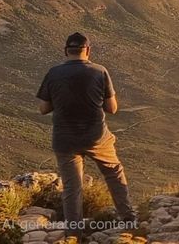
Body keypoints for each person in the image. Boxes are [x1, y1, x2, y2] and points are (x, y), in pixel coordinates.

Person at [36, 32, 135, 239]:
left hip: (65, 140)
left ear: (66, 51)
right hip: (96, 137)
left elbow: (43, 108)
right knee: (113, 172)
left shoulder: (53, 73)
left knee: (72, 187)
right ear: (88, 50)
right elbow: (112, 108)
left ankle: (74, 234)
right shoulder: (100, 71)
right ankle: (128, 219)